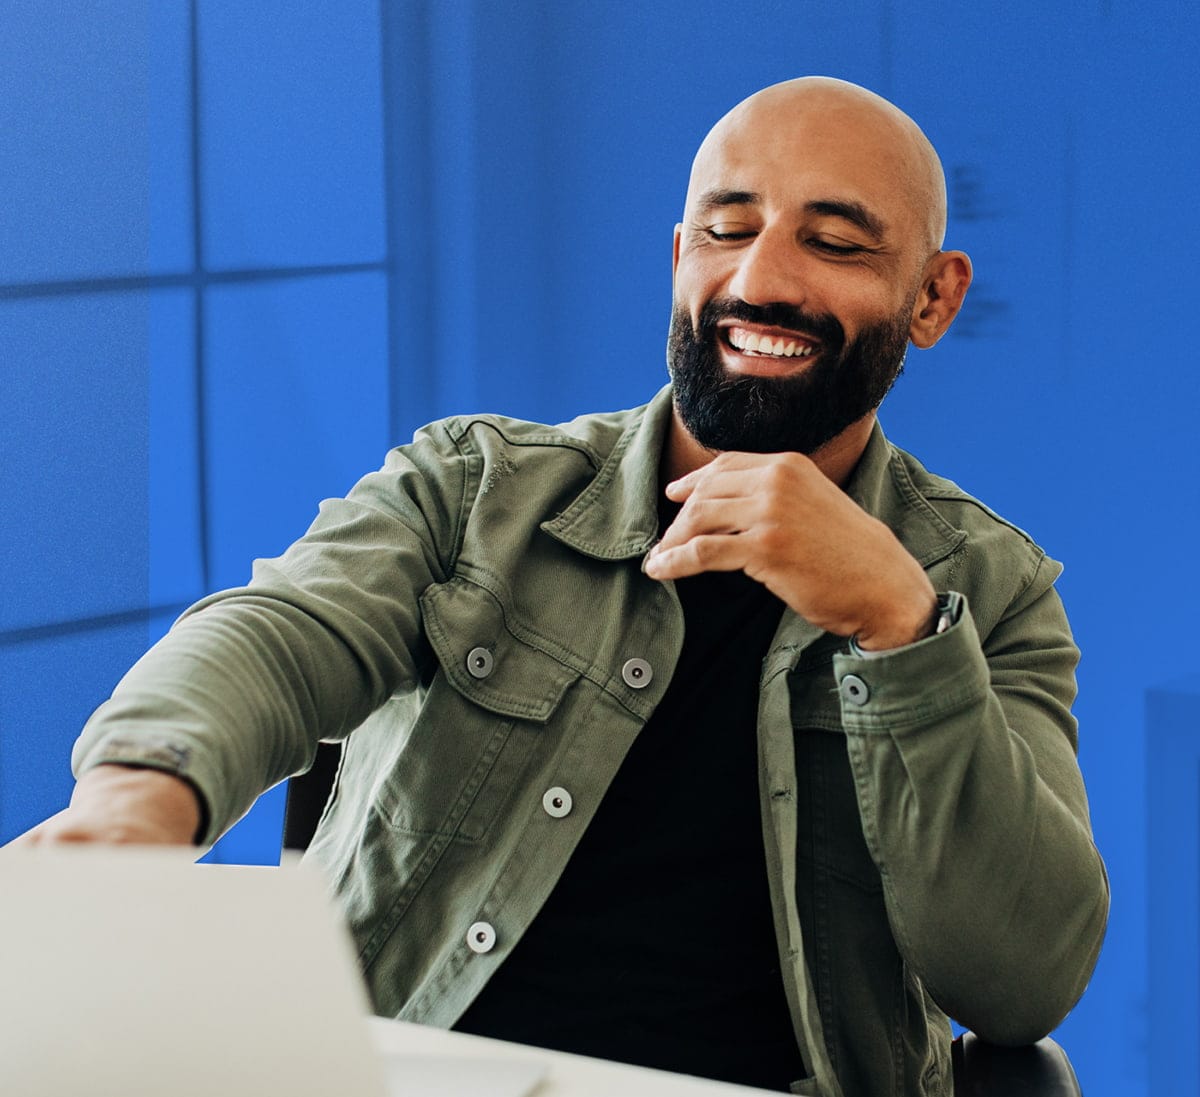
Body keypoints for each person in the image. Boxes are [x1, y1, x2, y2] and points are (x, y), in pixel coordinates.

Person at [11, 77, 1108, 1096]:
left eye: (832, 242)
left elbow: (1024, 982)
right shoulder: (471, 486)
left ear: (933, 297)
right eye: (727, 230)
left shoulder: (989, 590)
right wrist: (133, 806)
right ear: (680, 256)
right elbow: (283, 628)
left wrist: (898, 623)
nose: (761, 278)